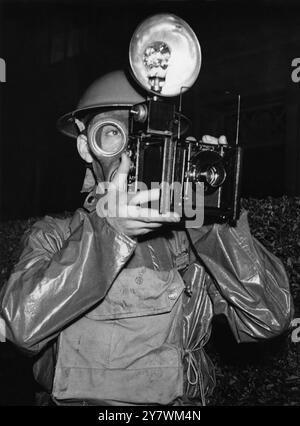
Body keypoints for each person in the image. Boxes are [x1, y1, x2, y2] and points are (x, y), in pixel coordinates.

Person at [0, 70, 294, 406]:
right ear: (85, 147)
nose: (133, 153)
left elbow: (268, 318)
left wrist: (214, 218)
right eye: (113, 134)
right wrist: (110, 233)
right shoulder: (55, 236)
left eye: (148, 138)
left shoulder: (189, 241)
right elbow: (22, 326)